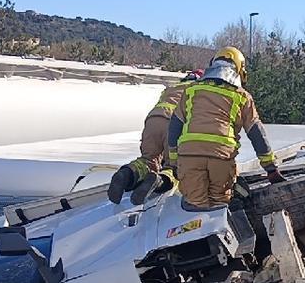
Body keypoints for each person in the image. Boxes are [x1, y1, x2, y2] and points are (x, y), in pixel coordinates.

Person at [165, 46, 284, 210]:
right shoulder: (242, 97)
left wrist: (173, 161)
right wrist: (270, 168)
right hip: (221, 157)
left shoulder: (191, 90)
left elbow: (174, 127)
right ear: (240, 70)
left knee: (194, 205)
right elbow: (257, 134)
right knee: (219, 206)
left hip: (189, 155)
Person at [108, 70, 202, 206]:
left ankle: (127, 174)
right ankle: (159, 180)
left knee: (148, 160)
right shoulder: (198, 90)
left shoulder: (171, 88)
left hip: (153, 120)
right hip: (174, 123)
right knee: (174, 167)